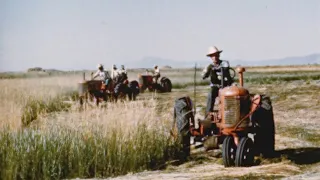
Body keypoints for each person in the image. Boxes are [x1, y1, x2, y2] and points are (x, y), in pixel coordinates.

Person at [202, 46, 234, 115]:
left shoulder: (224, 63)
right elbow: (203, 76)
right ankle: (208, 113)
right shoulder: (209, 66)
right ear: (210, 57)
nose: (215, 57)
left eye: (216, 55)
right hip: (215, 87)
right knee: (211, 93)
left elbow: (226, 70)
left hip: (226, 86)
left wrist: (220, 69)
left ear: (219, 55)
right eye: (212, 56)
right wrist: (208, 71)